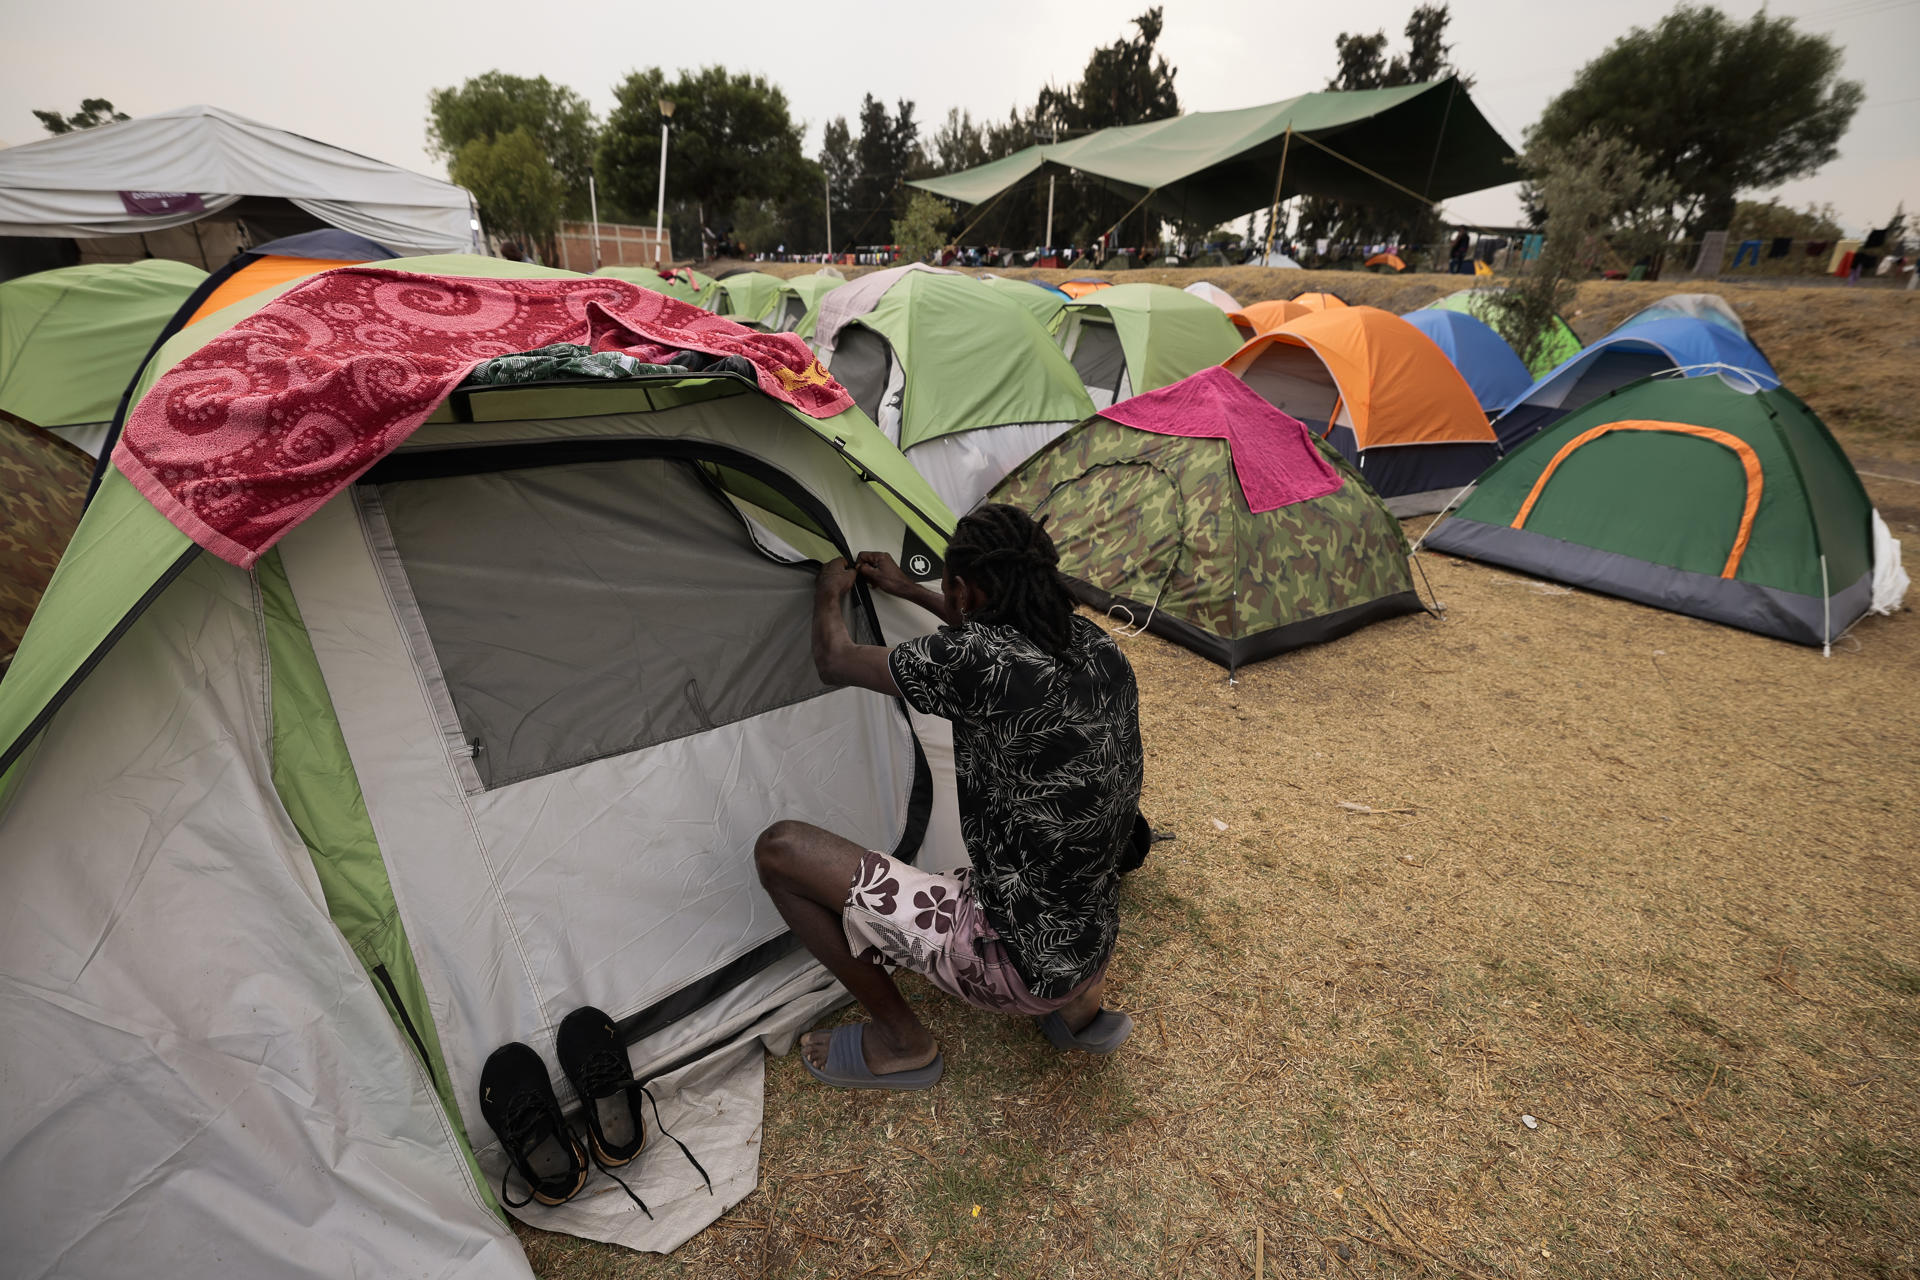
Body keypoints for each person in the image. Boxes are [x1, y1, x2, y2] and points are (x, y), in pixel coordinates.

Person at [754, 504, 1144, 1090]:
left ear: (963, 590)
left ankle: (902, 1042)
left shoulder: (977, 662)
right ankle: (1079, 1008)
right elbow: (988, 643)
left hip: (1014, 964)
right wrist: (907, 588)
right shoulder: (1096, 644)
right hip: (1093, 931)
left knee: (780, 851)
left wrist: (827, 592)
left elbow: (835, 660)